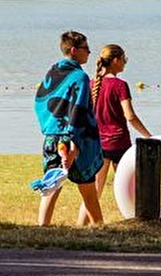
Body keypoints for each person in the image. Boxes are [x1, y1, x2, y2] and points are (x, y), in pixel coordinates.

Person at [34, 30, 104, 226]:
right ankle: (99, 226)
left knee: (52, 184)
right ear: (74, 50)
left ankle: (42, 227)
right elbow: (79, 110)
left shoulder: (51, 73)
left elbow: (40, 102)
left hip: (52, 137)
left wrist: (49, 127)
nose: (89, 52)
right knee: (87, 187)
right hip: (75, 138)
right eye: (85, 48)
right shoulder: (80, 77)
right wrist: (73, 141)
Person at [77, 43, 152, 225]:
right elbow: (130, 116)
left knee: (94, 190)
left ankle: (81, 225)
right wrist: (148, 136)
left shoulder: (91, 84)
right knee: (129, 188)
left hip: (97, 143)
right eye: (124, 59)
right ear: (116, 60)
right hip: (119, 143)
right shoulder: (120, 85)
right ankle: (138, 222)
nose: (125, 62)